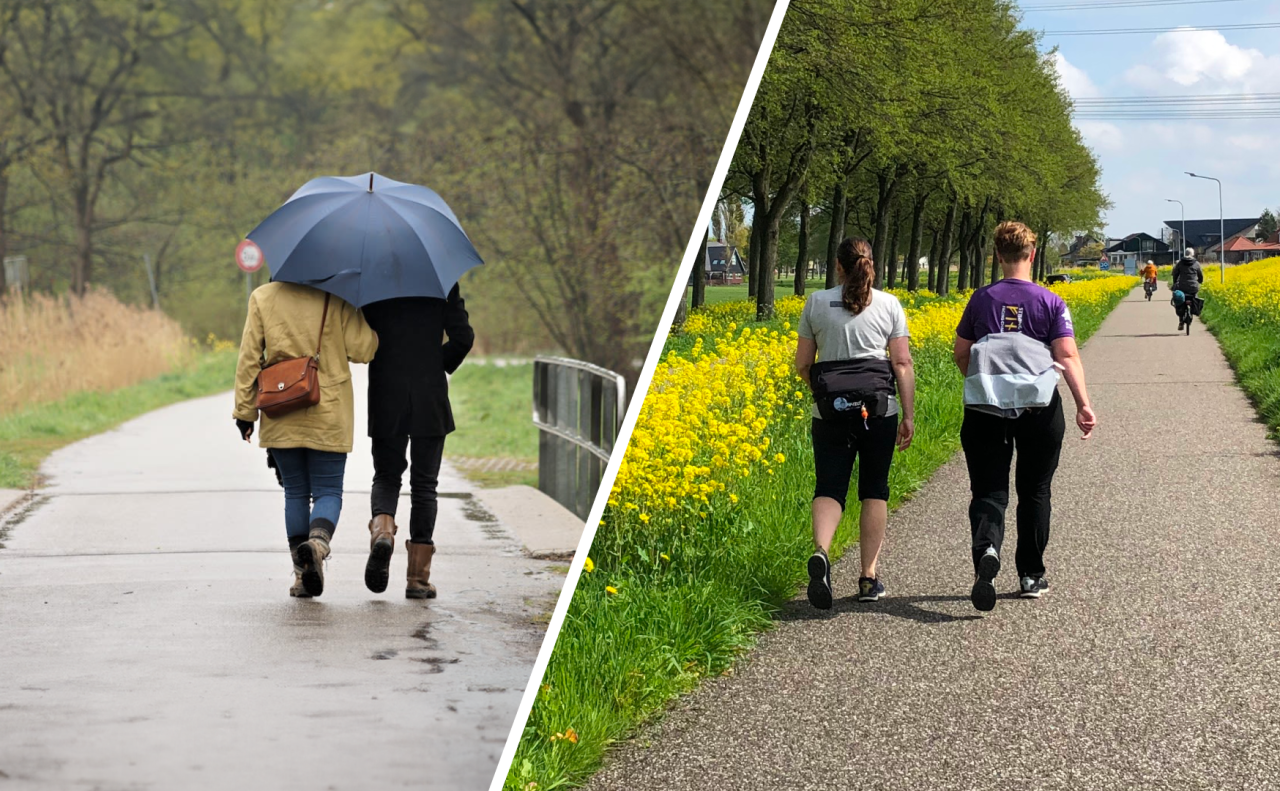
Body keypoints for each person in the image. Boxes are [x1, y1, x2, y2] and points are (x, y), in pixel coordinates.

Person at [954, 221, 1096, 612]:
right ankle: (1031, 574)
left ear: (998, 255)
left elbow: (961, 352)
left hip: (985, 408)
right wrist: (1084, 404)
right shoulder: (1050, 302)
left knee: (988, 490)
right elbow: (1066, 357)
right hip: (1039, 408)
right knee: (1035, 490)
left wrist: (984, 383)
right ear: (1032, 255)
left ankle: (987, 548)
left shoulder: (980, 300)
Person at [233, 282, 379, 598]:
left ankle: (302, 577)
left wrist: (245, 412)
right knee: (328, 490)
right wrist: (360, 308)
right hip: (328, 410)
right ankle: (318, 544)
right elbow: (364, 349)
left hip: (280, 407)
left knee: (295, 493)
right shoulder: (337, 296)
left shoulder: (263, 297)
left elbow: (249, 358)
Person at [795, 237, 916, 609]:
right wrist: (908, 414)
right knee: (874, 489)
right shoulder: (889, 304)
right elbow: (901, 363)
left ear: (837, 266)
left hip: (830, 411)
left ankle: (821, 552)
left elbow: (803, 364)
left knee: (830, 486)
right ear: (871, 264)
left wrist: (827, 393)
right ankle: (868, 577)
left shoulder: (815, 303)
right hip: (879, 409)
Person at [362, 285, 474, 599]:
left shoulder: (373, 283)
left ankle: (382, 532)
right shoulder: (440, 282)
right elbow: (463, 337)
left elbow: (360, 340)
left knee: (386, 475)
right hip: (429, 394)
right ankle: (417, 579)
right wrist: (434, 362)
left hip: (386, 391)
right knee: (425, 484)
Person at [1170, 248, 1204, 331]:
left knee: (1180, 301)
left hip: (1182, 286)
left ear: (1185, 253)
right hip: (1193, 287)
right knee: (1194, 298)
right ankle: (1193, 311)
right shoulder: (1196, 263)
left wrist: (1175, 282)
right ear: (1192, 254)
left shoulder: (1180, 263)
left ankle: (1181, 320)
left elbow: (1175, 274)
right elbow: (1200, 275)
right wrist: (1200, 281)